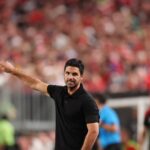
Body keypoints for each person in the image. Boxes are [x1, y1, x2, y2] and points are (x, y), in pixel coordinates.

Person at [0, 58, 99, 150]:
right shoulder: (59, 92)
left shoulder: (87, 101)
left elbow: (93, 131)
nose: (70, 77)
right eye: (67, 73)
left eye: (74, 74)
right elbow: (35, 83)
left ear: (81, 77)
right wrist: (13, 71)